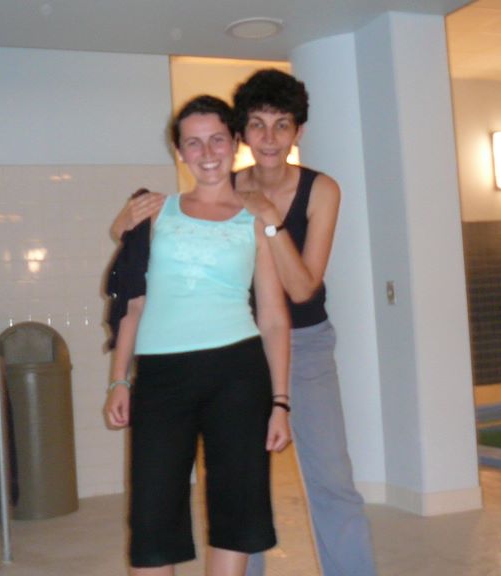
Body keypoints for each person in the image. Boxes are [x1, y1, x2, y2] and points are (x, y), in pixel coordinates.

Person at [110, 69, 379, 576]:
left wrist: (270, 222)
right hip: (240, 350)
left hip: (304, 341)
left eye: (282, 125)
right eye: (257, 124)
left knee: (331, 481)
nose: (269, 138)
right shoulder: (224, 182)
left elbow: (301, 289)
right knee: (239, 482)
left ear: (298, 131)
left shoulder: (320, 190)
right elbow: (151, 242)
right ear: (241, 136)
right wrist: (123, 220)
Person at [104, 94, 292, 576]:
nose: (207, 153)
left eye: (217, 140)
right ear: (179, 152)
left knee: (238, 508)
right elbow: (133, 305)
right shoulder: (155, 212)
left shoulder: (257, 218)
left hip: (238, 373)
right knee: (152, 516)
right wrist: (119, 379)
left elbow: (273, 318)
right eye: (193, 143)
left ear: (234, 143)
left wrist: (280, 402)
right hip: (162, 377)